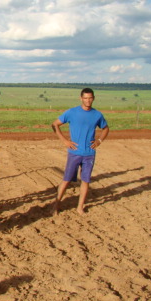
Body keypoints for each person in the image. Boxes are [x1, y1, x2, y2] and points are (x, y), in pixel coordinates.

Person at [51, 87, 109, 215]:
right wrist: (65, 141)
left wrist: (99, 141)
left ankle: (80, 207)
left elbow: (105, 128)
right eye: (85, 98)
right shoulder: (72, 112)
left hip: (89, 154)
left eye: (90, 98)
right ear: (81, 98)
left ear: (93, 98)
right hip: (74, 153)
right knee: (66, 180)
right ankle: (55, 206)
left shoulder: (97, 115)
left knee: (85, 181)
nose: (88, 100)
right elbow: (55, 124)